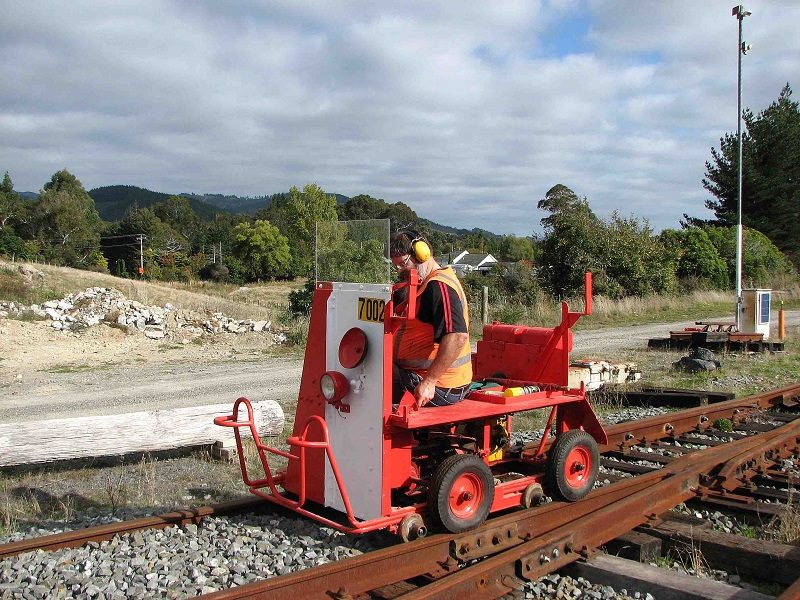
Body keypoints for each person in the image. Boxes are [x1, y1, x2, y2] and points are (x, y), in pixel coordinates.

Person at [390, 231, 472, 407]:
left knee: (370, 377)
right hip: (419, 375)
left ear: (422, 254)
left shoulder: (439, 287)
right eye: (395, 266)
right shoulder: (420, 284)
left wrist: (429, 382)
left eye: (404, 263)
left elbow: (457, 336)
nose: (400, 271)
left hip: (442, 386)